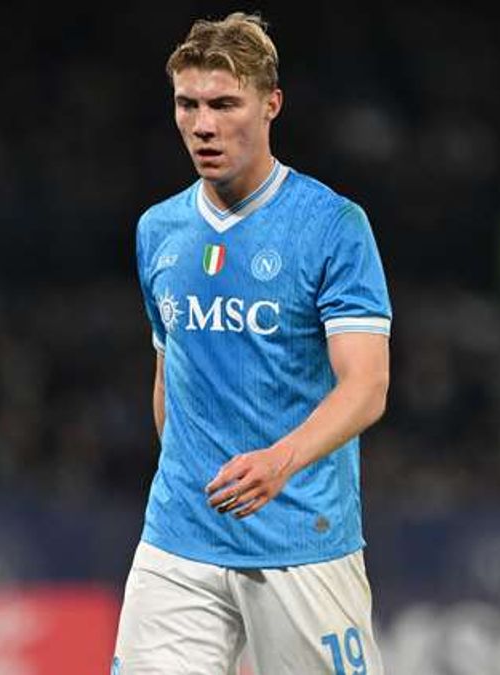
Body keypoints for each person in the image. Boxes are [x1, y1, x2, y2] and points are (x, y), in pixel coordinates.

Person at [114, 12, 391, 674]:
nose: (202, 125)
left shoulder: (331, 226)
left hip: (300, 541)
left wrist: (280, 462)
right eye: (188, 104)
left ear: (271, 104)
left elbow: (366, 386)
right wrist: (187, 480)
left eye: (223, 104)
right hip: (180, 543)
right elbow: (170, 376)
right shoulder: (158, 230)